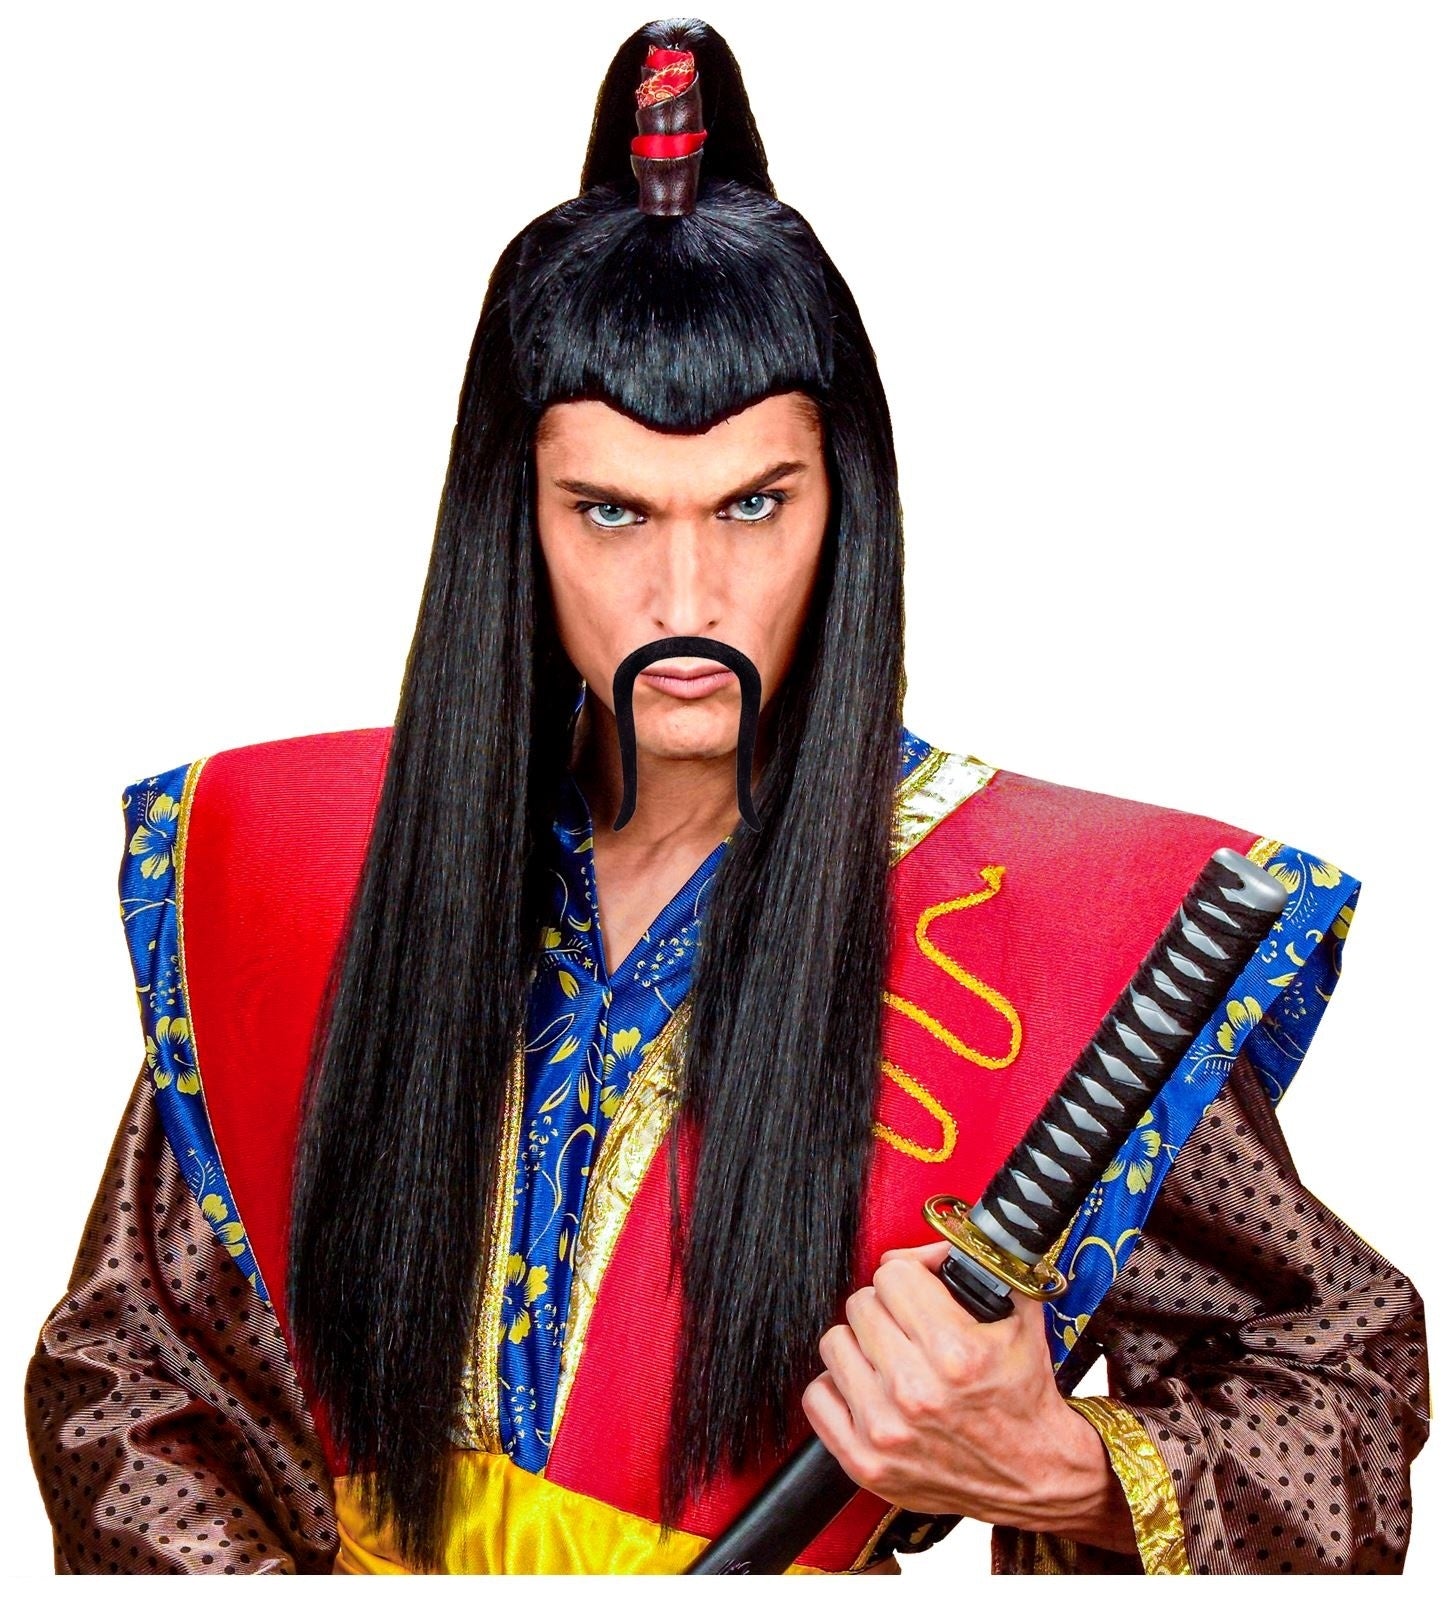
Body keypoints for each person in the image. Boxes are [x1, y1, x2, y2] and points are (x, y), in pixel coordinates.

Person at [24, 18, 1427, 1576]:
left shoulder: (1052, 937)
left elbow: (1337, 1399)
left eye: (753, 504)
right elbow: (137, 1376)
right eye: (610, 511)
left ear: (845, 507)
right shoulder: (314, 869)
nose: (685, 598)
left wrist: (1062, 1468)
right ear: (512, 516)